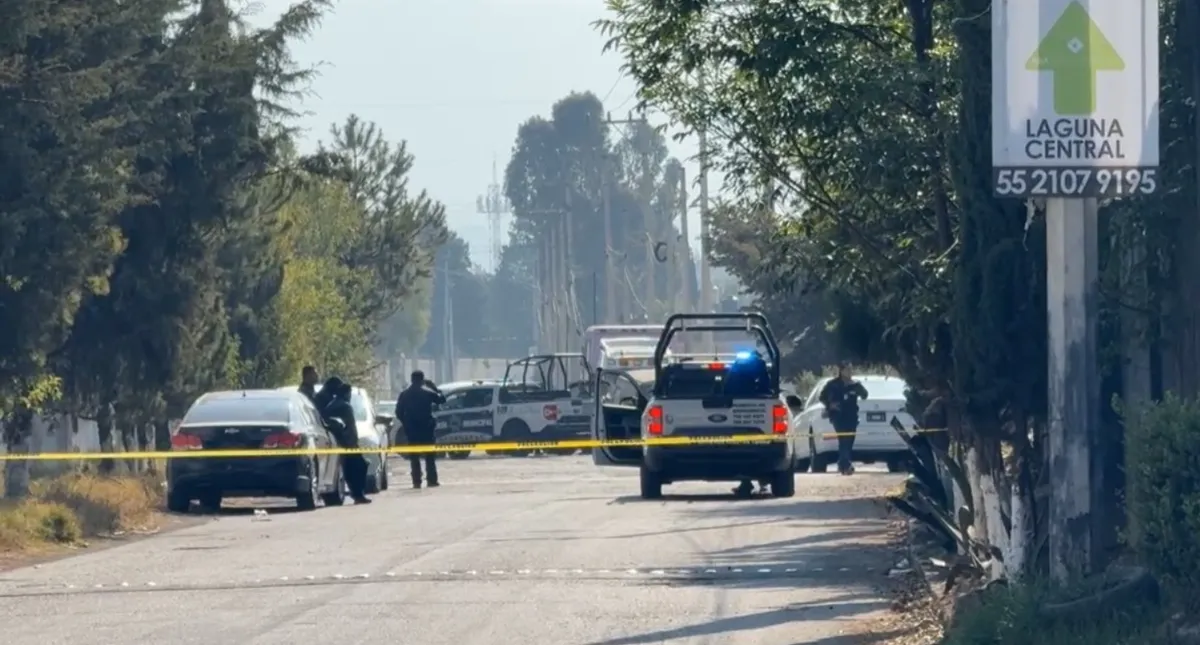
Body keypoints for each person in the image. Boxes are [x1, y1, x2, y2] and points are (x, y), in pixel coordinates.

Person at [321, 378, 371, 504]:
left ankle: (357, 494)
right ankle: (358, 494)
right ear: (346, 393)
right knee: (360, 467)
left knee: (350, 470)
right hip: (348, 444)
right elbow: (349, 427)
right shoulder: (345, 406)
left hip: (339, 444)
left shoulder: (331, 405)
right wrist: (352, 444)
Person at [395, 370, 446, 489]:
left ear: (412, 379)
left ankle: (416, 481)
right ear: (422, 380)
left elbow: (398, 412)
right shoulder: (428, 392)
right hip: (427, 428)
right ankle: (432, 480)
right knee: (430, 456)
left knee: (414, 457)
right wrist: (435, 388)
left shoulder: (404, 394)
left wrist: (406, 423)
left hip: (412, 430)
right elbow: (442, 400)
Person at [819, 363, 870, 475]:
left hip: (851, 415)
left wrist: (858, 389)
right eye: (847, 370)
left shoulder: (855, 384)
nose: (849, 372)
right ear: (841, 371)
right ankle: (846, 465)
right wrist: (830, 405)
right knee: (844, 439)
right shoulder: (832, 384)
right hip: (838, 416)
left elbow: (865, 395)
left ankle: (842, 463)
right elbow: (821, 397)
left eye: (850, 370)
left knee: (849, 440)